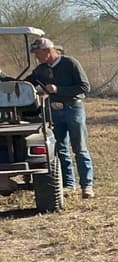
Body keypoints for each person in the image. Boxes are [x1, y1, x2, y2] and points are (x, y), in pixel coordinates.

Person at [27, 37, 95, 198]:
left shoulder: (70, 63)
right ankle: (68, 185)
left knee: (79, 148)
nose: (36, 57)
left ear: (47, 51)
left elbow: (84, 87)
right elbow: (26, 82)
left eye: (38, 53)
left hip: (73, 108)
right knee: (60, 148)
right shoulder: (42, 69)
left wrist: (58, 89)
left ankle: (87, 186)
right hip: (54, 111)